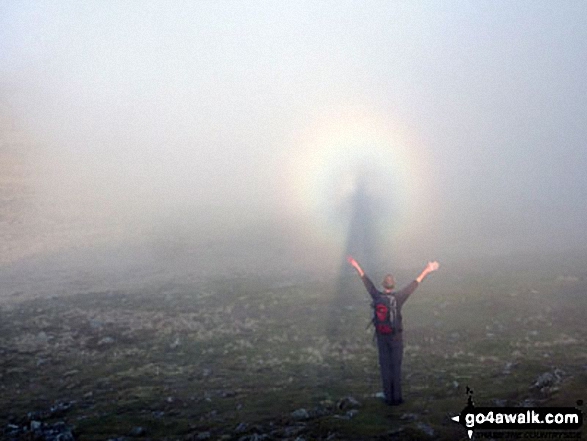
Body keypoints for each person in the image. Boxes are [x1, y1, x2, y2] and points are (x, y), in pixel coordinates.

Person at [347, 255, 439, 405]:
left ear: (383, 285)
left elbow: (367, 282)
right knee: (396, 366)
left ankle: (388, 398)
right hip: (396, 337)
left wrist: (356, 266)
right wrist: (427, 270)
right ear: (393, 286)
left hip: (381, 337)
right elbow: (414, 284)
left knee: (385, 367)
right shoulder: (398, 298)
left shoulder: (377, 296)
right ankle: (397, 398)